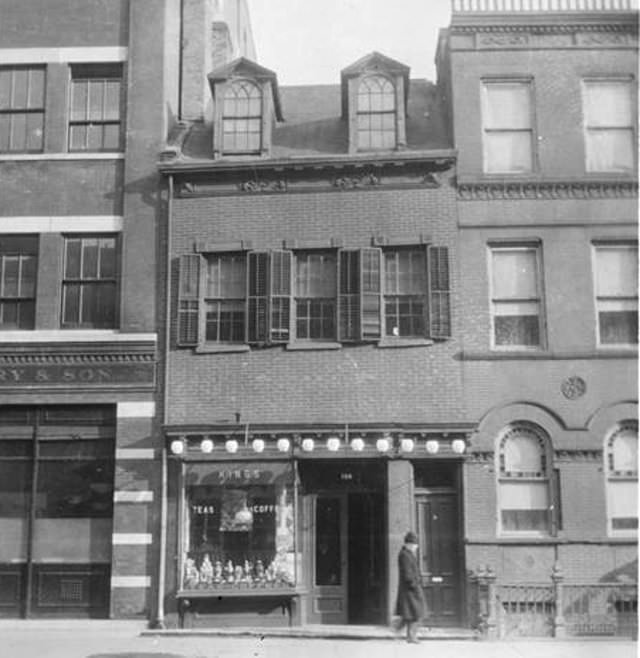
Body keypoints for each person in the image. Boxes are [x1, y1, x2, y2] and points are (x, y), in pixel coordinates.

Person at [393, 531, 426, 644]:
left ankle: (406, 634)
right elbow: (408, 574)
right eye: (415, 545)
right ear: (409, 544)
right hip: (410, 590)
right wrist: (415, 585)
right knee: (415, 612)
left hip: (411, 589)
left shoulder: (407, 554)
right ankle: (410, 636)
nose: (416, 547)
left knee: (411, 613)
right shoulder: (405, 555)